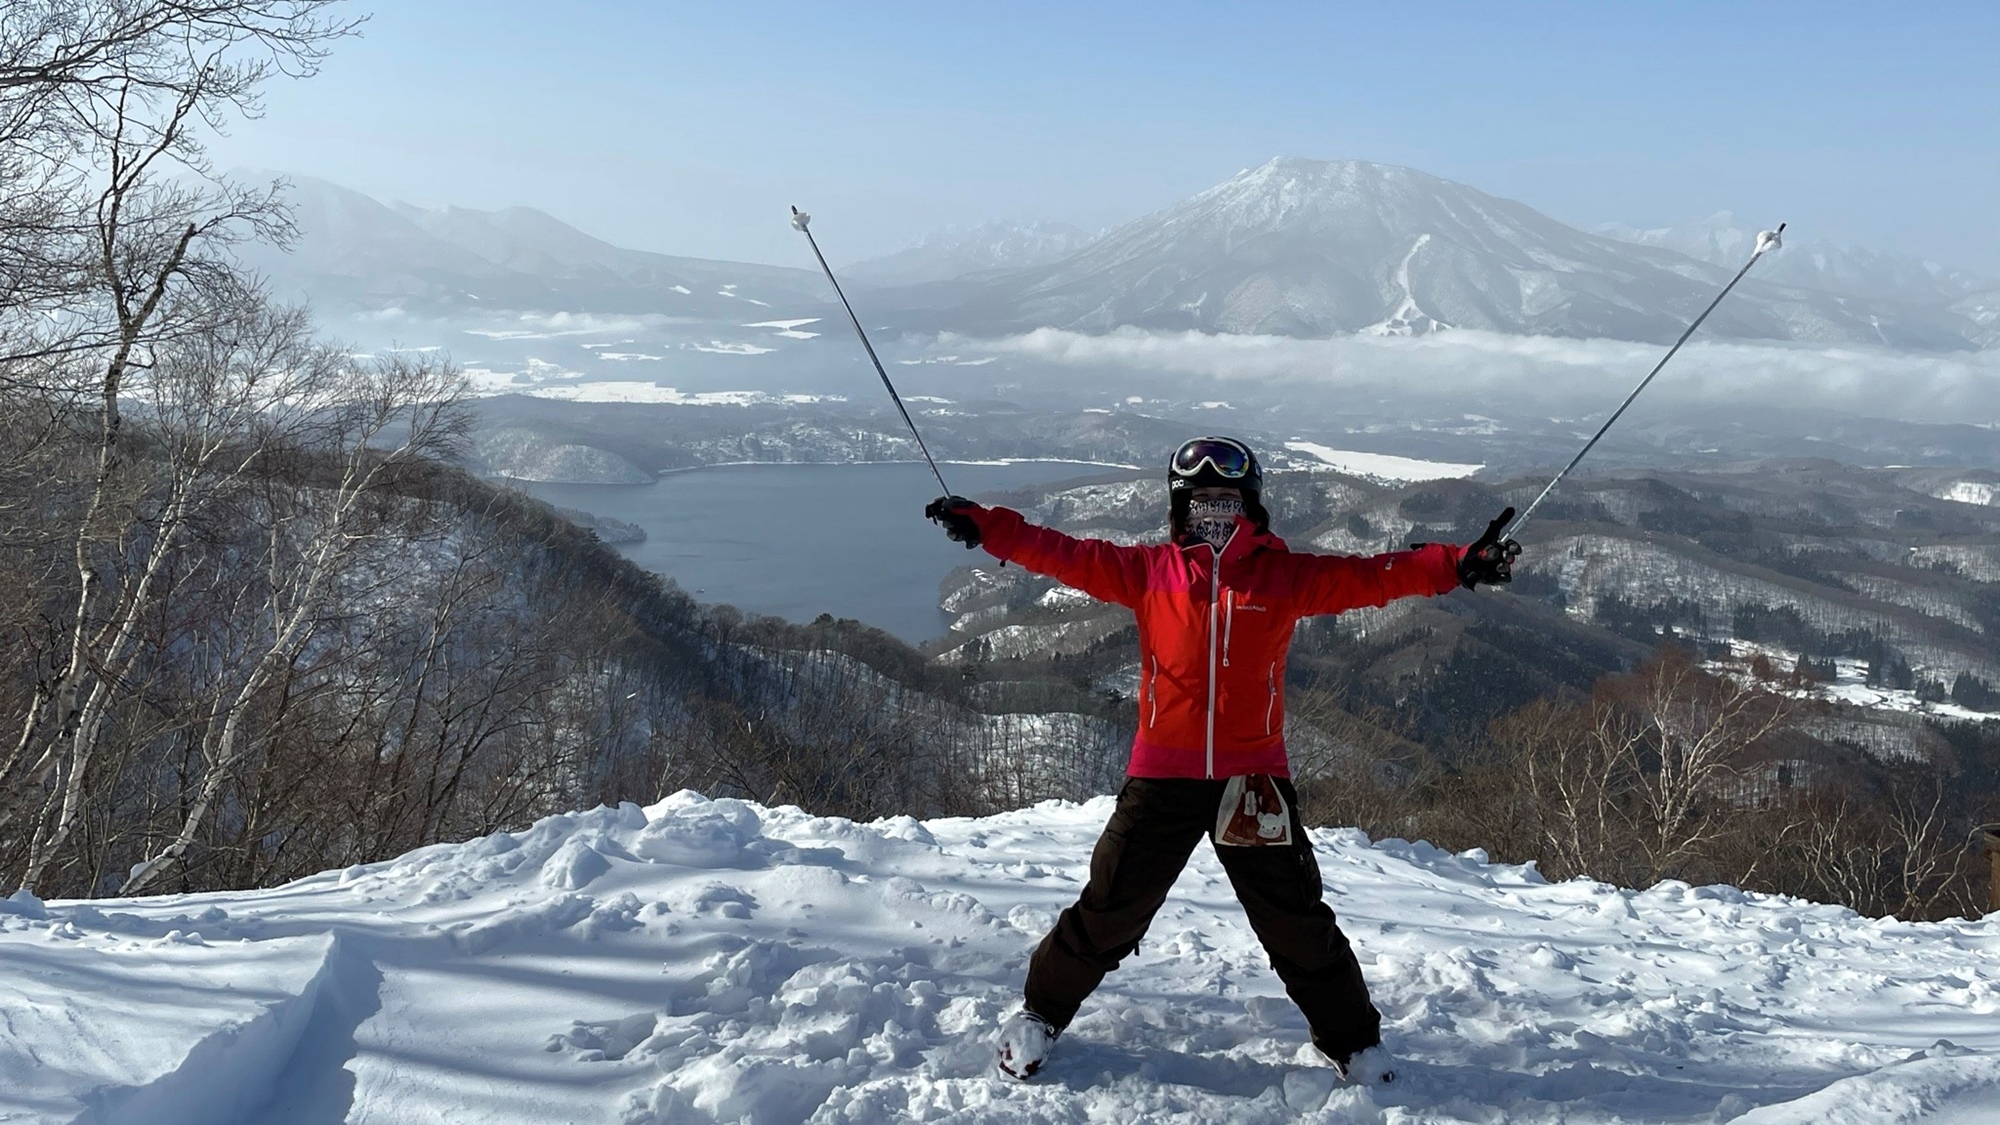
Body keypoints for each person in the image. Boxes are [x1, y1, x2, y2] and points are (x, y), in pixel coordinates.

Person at [922, 435, 1520, 1084]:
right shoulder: (1151, 571)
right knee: (1111, 907)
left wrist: (1458, 563)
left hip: (1253, 780)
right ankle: (1040, 1013)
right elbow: (1063, 552)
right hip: (1162, 776)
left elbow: (1371, 577)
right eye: (1201, 502)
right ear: (1180, 509)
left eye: (1227, 502)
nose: (1214, 514)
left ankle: (1354, 1043)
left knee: (1293, 919)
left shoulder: (1282, 576)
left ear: (1251, 507)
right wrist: (986, 526)